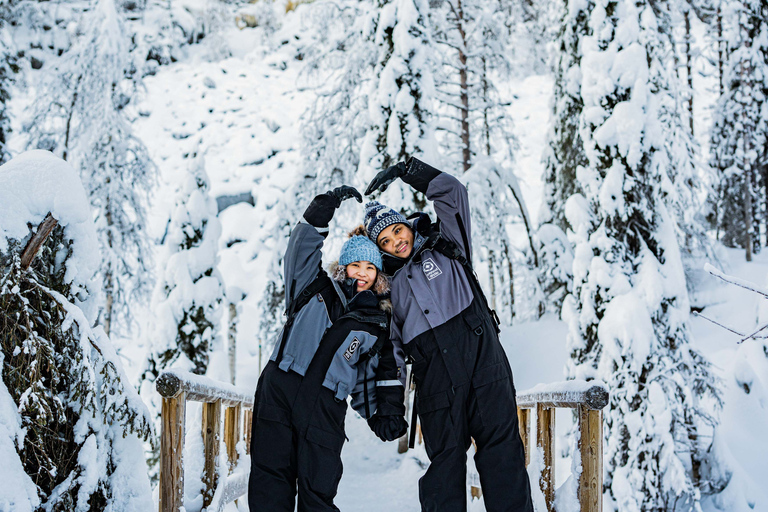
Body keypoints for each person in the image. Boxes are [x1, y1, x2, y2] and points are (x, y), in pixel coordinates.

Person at [364, 158, 534, 512]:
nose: (396, 241)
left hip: (482, 362)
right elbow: (391, 351)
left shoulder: (446, 243)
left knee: (502, 454)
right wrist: (390, 404)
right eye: (385, 240)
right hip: (435, 379)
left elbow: (453, 193)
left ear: (406, 225)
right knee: (444, 468)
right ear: (379, 249)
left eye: (397, 231)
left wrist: (410, 171)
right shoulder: (388, 289)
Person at [248, 185, 407, 512]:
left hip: (325, 407)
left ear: (377, 273)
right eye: (356, 265)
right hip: (280, 388)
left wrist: (383, 414)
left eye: (370, 267)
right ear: (344, 266)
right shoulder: (313, 286)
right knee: (270, 480)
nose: (362, 273)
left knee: (318, 492)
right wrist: (322, 209)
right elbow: (300, 248)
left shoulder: (375, 323)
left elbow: (376, 375)